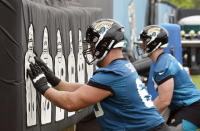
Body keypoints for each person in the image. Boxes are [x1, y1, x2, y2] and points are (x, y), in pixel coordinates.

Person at [27, 19, 170, 131]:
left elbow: (71, 103)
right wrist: (54, 80)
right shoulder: (120, 68)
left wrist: (43, 87)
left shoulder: (113, 73)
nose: (90, 48)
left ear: (105, 43)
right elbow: (85, 90)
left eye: (93, 43)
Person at [140, 25, 200, 131]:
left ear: (153, 43)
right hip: (180, 107)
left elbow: (164, 100)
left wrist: (144, 119)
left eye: (144, 42)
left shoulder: (162, 64)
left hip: (191, 107)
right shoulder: (163, 60)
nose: (142, 45)